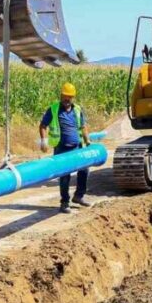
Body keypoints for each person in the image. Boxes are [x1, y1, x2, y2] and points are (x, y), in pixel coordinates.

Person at [39, 82, 91, 213]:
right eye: (64, 96)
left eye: (69, 96)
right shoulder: (54, 109)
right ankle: (64, 202)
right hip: (61, 148)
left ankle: (78, 196)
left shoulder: (77, 109)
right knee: (64, 176)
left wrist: (87, 141)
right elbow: (43, 126)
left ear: (73, 97)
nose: (67, 99)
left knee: (84, 169)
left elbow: (83, 126)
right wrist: (44, 141)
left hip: (77, 147)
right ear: (61, 95)